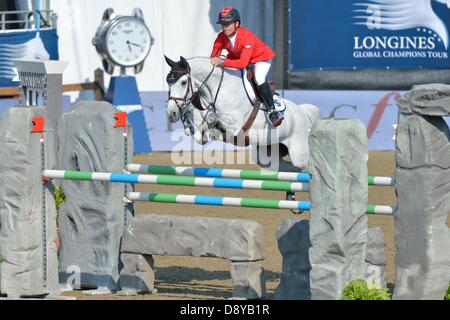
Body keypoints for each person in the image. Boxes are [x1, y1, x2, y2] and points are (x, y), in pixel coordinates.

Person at [210, 7, 285, 127]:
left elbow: (242, 64)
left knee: (259, 79)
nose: (225, 27)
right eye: (223, 24)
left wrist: (223, 62)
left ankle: (272, 110)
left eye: (228, 24)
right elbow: (214, 56)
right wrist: (215, 60)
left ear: (236, 23)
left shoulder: (247, 37)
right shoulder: (221, 37)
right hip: (241, 58)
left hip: (261, 58)